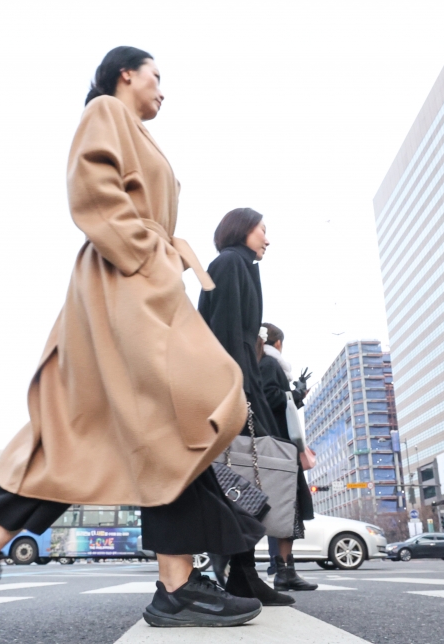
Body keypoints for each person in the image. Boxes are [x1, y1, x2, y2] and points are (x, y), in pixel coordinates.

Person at [0, 46, 262, 628]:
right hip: (127, 282)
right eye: (156, 76)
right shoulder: (107, 114)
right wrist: (149, 259)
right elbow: (92, 188)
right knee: (186, 412)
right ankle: (178, 583)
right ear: (126, 73)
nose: (163, 89)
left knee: (100, 432)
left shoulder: (133, 127)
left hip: (135, 283)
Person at [198, 209, 294, 607]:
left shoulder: (241, 266)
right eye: (262, 229)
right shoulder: (229, 263)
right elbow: (220, 334)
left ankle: (244, 571)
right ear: (242, 228)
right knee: (238, 476)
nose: (267, 239)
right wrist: (234, 389)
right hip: (232, 386)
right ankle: (240, 572)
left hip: (240, 382)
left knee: (243, 477)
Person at [257, 322, 317, 592]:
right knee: (287, 507)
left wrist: (297, 395)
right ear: (278, 343)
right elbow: (270, 398)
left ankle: (284, 569)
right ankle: (284, 570)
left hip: (273, 445)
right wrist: (296, 393)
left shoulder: (261, 362)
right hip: (279, 446)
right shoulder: (271, 364)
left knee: (285, 508)